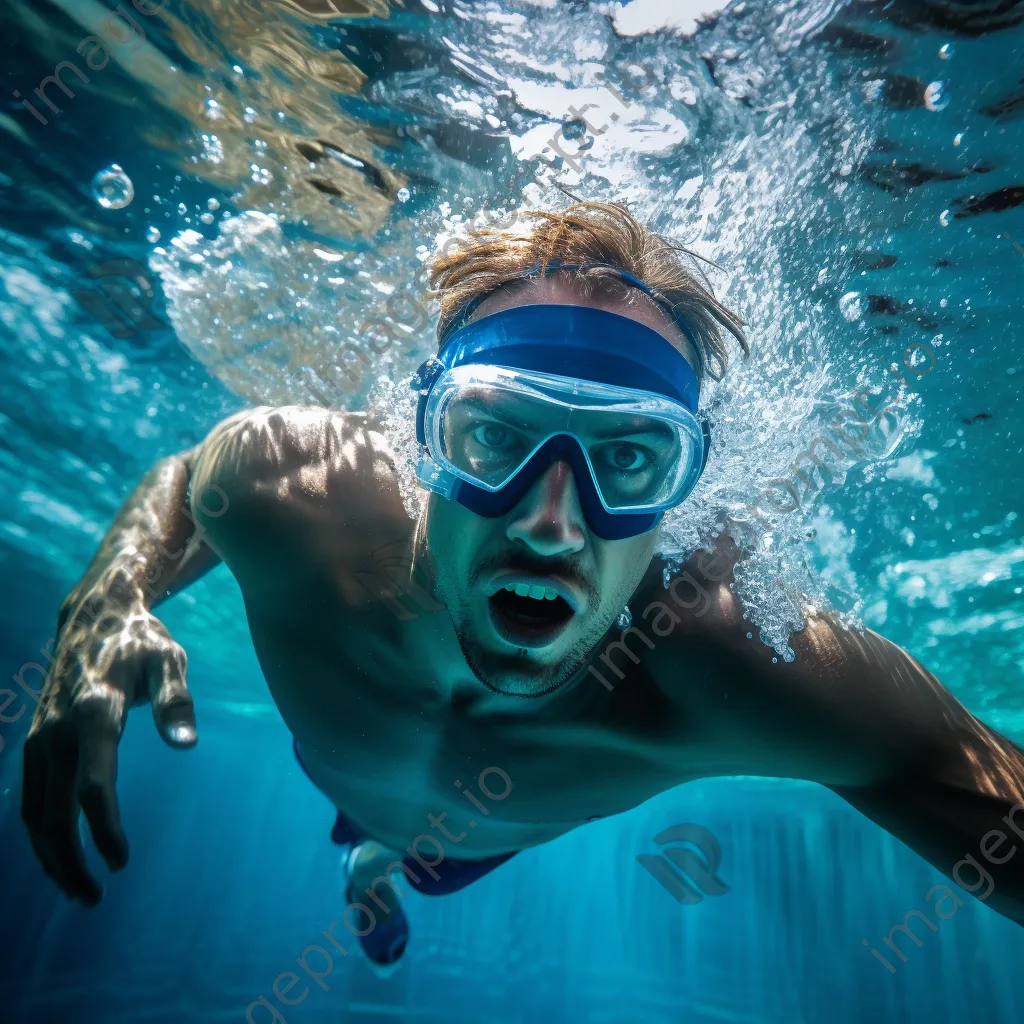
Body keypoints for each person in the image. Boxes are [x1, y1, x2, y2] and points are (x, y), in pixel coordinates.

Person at [21, 201, 1024, 969]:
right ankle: (370, 857)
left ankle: (374, 869)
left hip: (483, 840)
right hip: (348, 781)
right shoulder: (303, 488)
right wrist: (106, 597)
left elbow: (964, 774)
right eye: (494, 434)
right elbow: (191, 484)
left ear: (686, 488)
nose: (551, 520)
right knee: (377, 838)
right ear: (425, 438)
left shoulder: (730, 661)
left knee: (415, 862)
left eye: (630, 459)